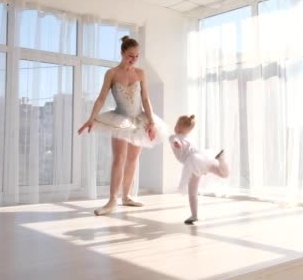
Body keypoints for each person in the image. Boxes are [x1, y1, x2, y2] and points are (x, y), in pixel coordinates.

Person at [78, 36, 167, 216]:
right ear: (122, 53)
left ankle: (126, 196)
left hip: (138, 120)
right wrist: (91, 118)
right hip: (120, 119)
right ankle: (112, 200)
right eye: (130, 55)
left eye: (136, 56)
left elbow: (145, 99)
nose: (133, 59)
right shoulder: (111, 73)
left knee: (133, 159)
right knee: (119, 158)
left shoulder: (141, 73)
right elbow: (101, 98)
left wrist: (150, 122)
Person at [169, 114, 229, 224]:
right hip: (203, 158)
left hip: (193, 163)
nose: (175, 126)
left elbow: (175, 140)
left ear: (179, 127)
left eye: (177, 124)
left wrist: (177, 143)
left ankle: (194, 215)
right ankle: (222, 160)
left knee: (192, 192)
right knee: (223, 174)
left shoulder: (174, 137)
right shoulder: (189, 139)